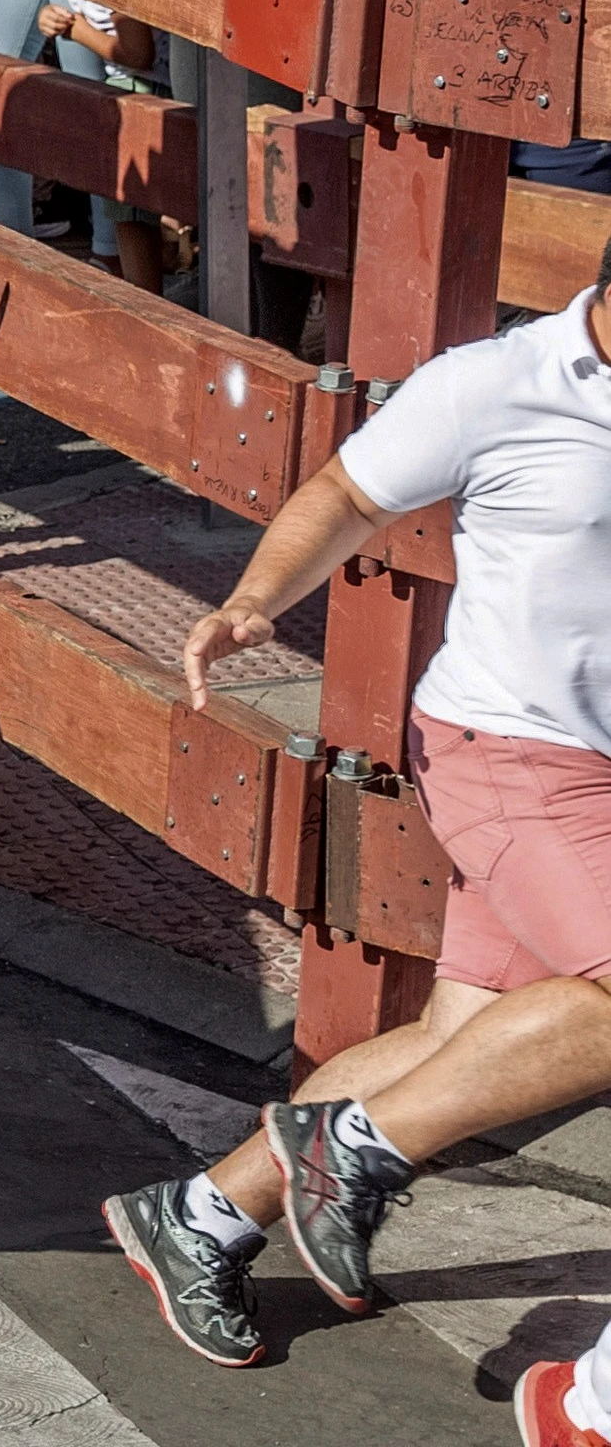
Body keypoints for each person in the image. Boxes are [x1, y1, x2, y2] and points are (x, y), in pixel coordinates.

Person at [99, 245, 611, 1384]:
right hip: (508, 756)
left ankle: (199, 1215)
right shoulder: (495, 382)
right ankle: (356, 1149)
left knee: (451, 1041)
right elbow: (344, 492)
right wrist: (249, 601)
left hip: (594, 776)